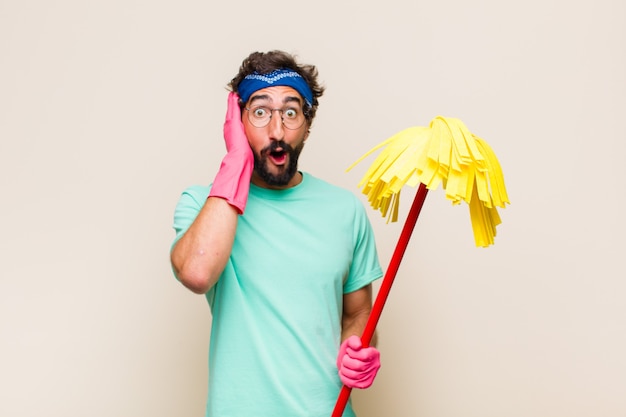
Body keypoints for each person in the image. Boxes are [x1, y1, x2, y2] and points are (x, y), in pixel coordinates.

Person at [170, 50, 383, 417]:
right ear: (237, 123)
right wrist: (235, 160)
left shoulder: (345, 210)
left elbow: (358, 313)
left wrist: (356, 347)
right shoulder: (204, 203)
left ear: (307, 122)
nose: (277, 131)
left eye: (290, 112)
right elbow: (196, 272)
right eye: (259, 111)